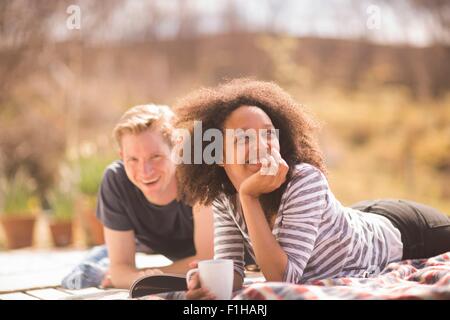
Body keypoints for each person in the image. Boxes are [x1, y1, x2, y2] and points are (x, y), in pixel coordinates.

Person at [173, 79, 450, 299]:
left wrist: (249, 196)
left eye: (268, 133)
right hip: (353, 221)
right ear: (219, 155)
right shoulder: (225, 197)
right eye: (244, 137)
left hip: (409, 232)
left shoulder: (303, 179)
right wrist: (206, 285)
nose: (260, 144)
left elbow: (283, 279)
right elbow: (232, 268)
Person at [63, 104, 214, 290]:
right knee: (86, 272)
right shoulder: (116, 180)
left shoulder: (198, 175)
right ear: (122, 156)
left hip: (244, 258)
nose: (145, 171)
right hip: (154, 245)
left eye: (156, 156)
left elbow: (208, 261)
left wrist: (143, 277)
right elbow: (119, 270)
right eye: (133, 159)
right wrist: (133, 276)